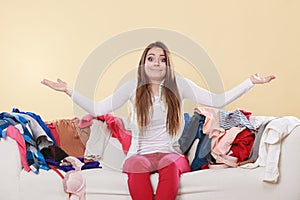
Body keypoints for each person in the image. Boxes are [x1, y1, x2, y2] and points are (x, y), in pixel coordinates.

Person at [41, 41, 275, 200]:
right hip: (140, 155)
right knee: (136, 166)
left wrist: (250, 82)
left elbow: (218, 100)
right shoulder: (133, 86)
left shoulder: (179, 84)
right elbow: (98, 107)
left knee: (169, 165)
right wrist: (68, 90)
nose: (156, 62)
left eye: (161, 59)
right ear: (144, 63)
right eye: (151, 58)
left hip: (170, 154)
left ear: (166, 64)